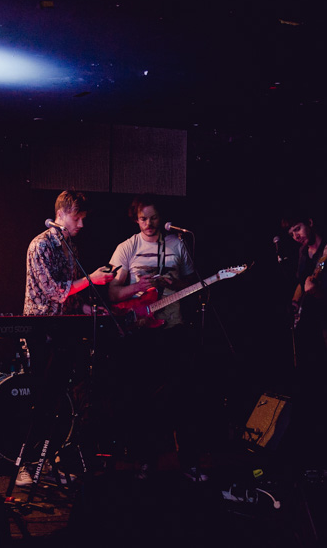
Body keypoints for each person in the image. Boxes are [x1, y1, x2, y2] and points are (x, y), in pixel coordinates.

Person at [18, 190, 116, 486]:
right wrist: (92, 280)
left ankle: (48, 461)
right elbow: (54, 290)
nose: (81, 224)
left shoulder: (68, 246)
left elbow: (69, 297)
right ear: (61, 214)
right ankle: (25, 464)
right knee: (42, 398)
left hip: (63, 329)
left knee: (65, 399)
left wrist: (87, 306)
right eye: (77, 217)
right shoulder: (40, 245)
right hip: (40, 331)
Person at [105, 195, 205, 481]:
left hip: (174, 328)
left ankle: (189, 463)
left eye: (154, 217)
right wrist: (137, 286)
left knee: (184, 397)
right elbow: (113, 294)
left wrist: (175, 283)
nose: (149, 223)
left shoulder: (177, 244)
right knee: (143, 400)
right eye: (143, 218)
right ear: (136, 219)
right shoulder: (127, 248)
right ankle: (147, 461)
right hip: (142, 332)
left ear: (162, 218)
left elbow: (191, 283)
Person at [282, 213, 327, 464]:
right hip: (308, 329)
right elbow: (302, 282)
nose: (296, 236)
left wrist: (319, 294)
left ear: (310, 222)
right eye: (291, 233)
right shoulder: (304, 254)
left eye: (298, 228)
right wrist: (295, 300)